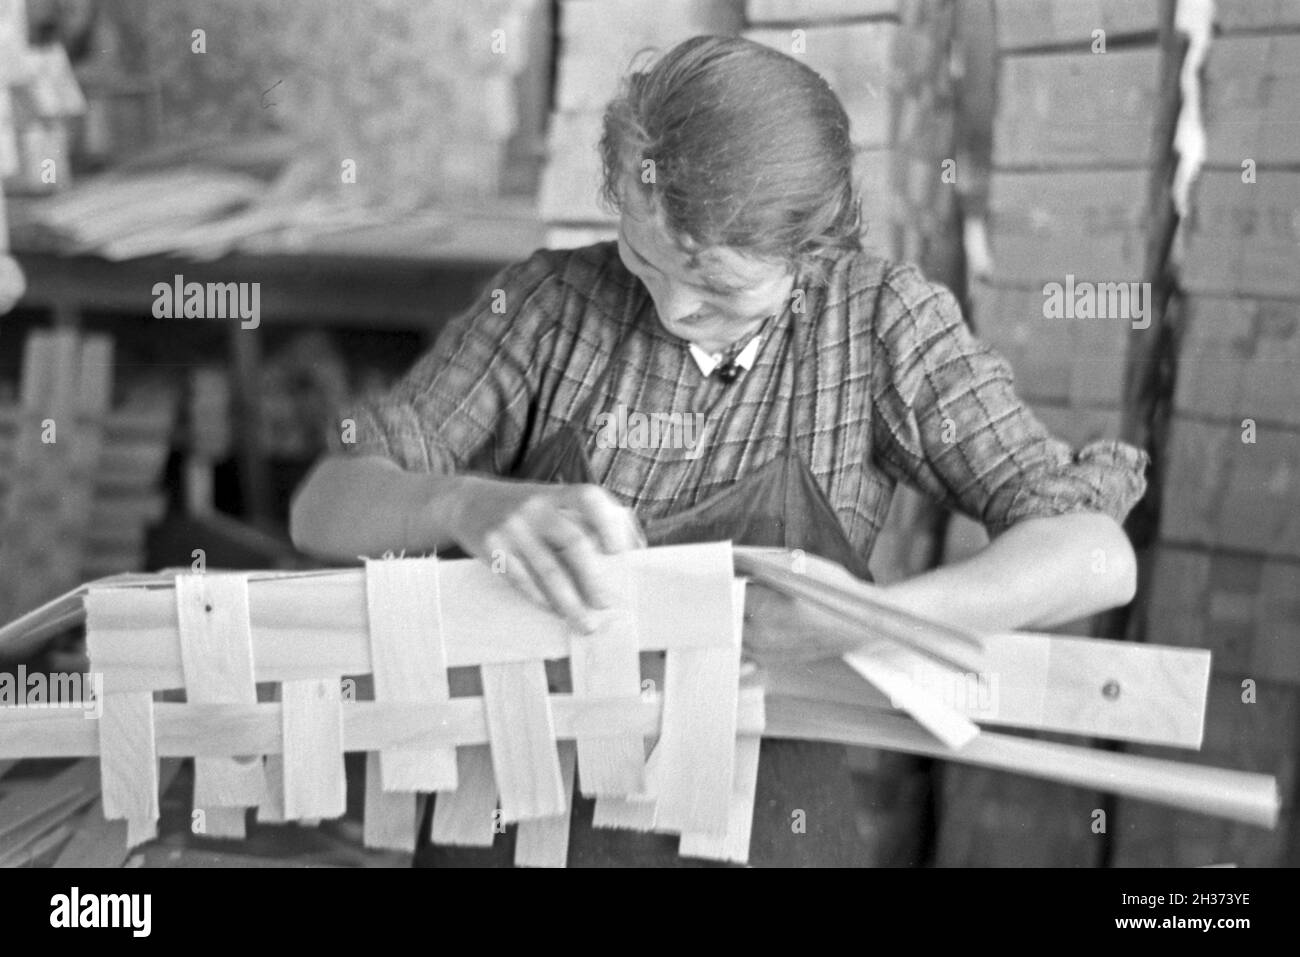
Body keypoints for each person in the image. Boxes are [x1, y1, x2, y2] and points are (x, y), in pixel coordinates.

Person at [289, 35, 1148, 867]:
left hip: (756, 825)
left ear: (810, 254)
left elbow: (1094, 556)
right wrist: (465, 504)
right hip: (516, 812)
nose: (669, 307)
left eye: (718, 287)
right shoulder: (549, 307)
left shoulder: (879, 326)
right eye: (643, 255)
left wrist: (872, 622)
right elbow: (320, 507)